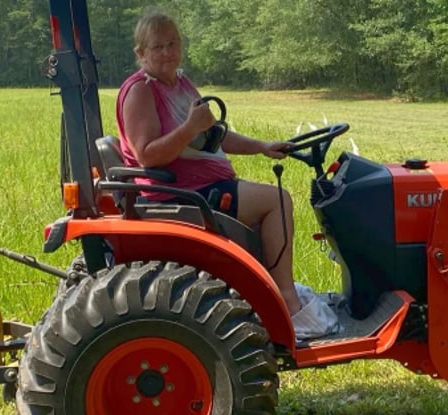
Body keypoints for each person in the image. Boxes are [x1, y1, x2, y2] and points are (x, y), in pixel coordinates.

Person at [116, 12, 307, 316]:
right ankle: (286, 300)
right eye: (157, 47)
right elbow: (147, 155)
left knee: (265, 210)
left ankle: (261, 300)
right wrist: (190, 127)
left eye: (172, 43)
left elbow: (214, 136)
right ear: (141, 53)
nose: (167, 52)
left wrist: (262, 147)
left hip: (205, 186)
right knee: (278, 201)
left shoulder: (180, 83)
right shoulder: (141, 91)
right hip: (180, 192)